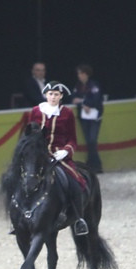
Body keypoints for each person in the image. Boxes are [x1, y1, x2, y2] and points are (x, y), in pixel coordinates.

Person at [28, 81, 89, 236]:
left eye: (56, 94)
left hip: (59, 156)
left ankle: (78, 218)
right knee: (23, 178)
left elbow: (73, 140)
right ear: (46, 95)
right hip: (39, 155)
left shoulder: (67, 113)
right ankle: (20, 216)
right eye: (50, 94)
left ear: (61, 96)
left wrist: (65, 151)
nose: (53, 97)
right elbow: (29, 135)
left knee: (75, 181)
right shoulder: (36, 111)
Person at [72, 64, 104, 174]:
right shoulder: (78, 86)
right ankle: (92, 164)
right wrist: (83, 103)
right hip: (83, 117)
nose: (79, 76)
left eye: (80, 73)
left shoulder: (93, 85)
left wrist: (85, 103)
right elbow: (74, 98)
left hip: (94, 116)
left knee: (92, 140)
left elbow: (96, 99)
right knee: (88, 141)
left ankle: (96, 164)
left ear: (86, 74)